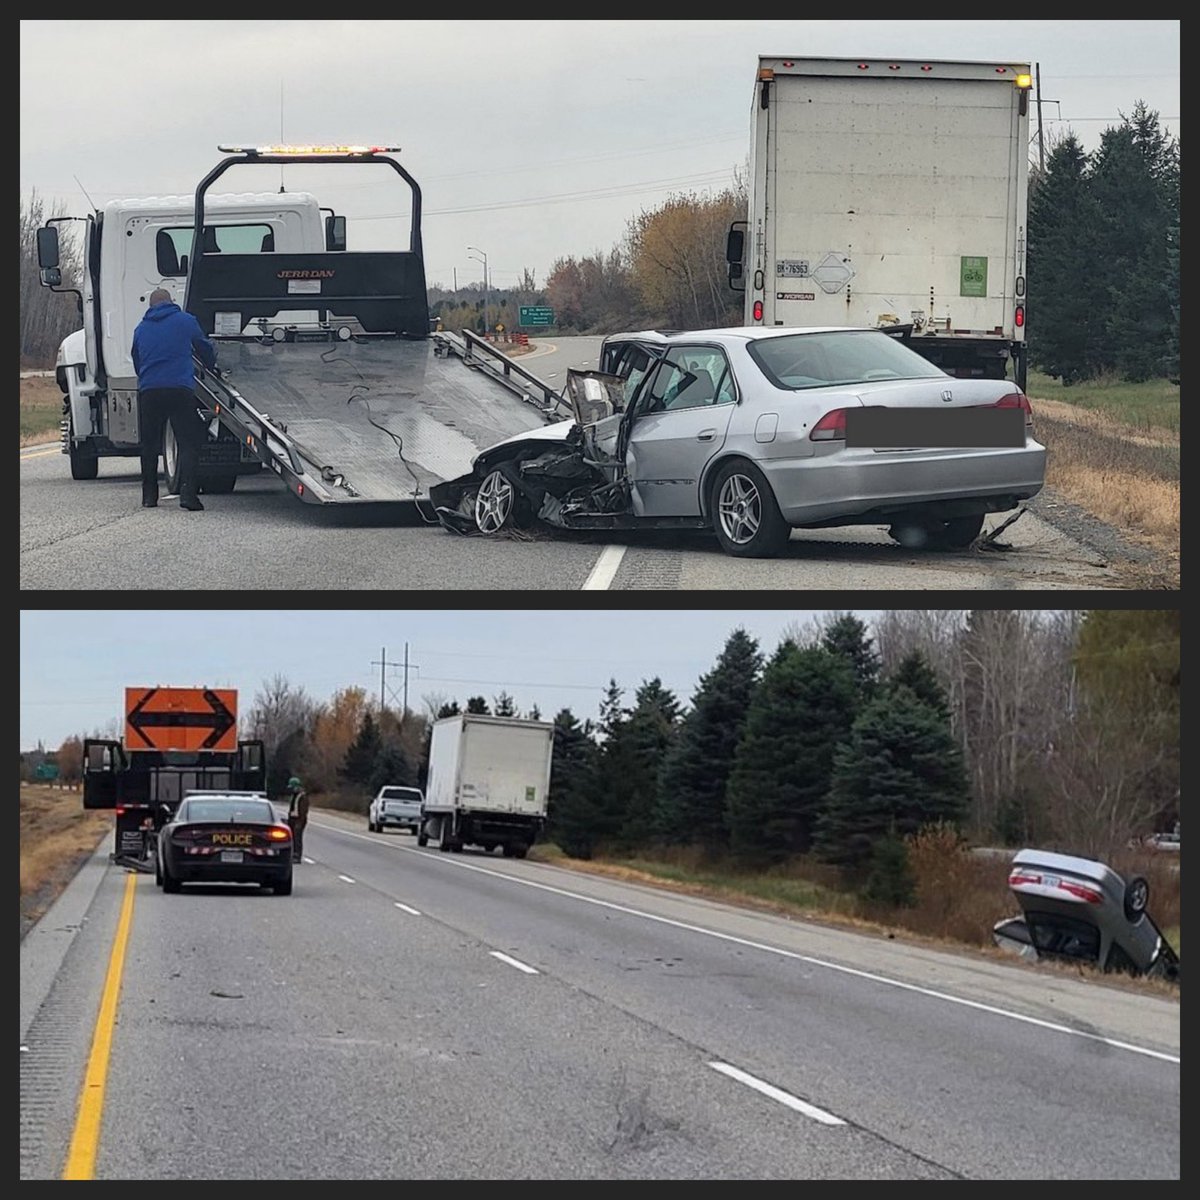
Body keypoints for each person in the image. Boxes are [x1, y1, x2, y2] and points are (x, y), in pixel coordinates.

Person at [130, 287, 217, 511]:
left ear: (151, 306)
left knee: (149, 444)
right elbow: (203, 346)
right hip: (179, 389)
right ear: (171, 302)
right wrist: (211, 364)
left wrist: (148, 379)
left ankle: (149, 496)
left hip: (150, 391)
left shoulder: (141, 329)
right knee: (188, 442)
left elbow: (137, 359)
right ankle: (188, 496)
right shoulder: (185, 321)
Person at [285, 776, 309, 863]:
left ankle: (297, 856)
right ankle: (293, 854)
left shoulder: (302, 797)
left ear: (297, 786)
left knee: (297, 838)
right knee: (292, 838)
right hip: (293, 819)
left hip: (298, 820)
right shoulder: (295, 796)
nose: (291, 790)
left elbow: (303, 811)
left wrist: (300, 823)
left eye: (292, 787)